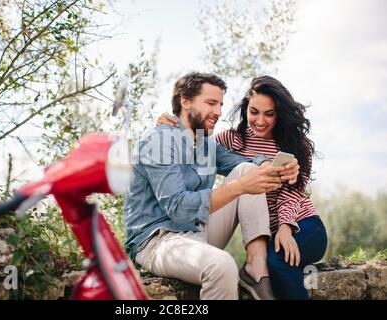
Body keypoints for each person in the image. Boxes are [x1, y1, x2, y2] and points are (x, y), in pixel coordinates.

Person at [124, 72, 299, 300]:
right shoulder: (159, 141)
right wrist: (239, 187)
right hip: (158, 240)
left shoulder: (205, 143)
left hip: (197, 230)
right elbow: (177, 208)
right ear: (185, 101)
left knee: (249, 171)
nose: (218, 112)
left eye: (220, 105)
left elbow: (243, 163)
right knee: (223, 265)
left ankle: (256, 271)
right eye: (210, 103)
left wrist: (273, 165)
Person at [158, 75, 327, 300]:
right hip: (267, 233)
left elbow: (293, 193)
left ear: (279, 114)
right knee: (266, 264)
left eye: (269, 114)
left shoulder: (295, 144)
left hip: (303, 224)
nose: (260, 121)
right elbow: (196, 146)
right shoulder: (231, 140)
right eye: (254, 112)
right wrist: (171, 125)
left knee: (278, 262)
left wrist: (287, 227)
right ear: (246, 109)